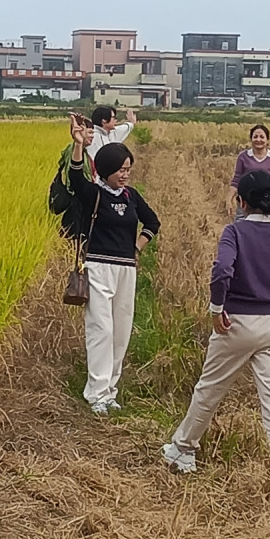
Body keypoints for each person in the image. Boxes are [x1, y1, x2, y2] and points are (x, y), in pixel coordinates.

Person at [162, 171, 270, 474]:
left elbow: (221, 271)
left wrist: (217, 307)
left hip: (236, 321)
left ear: (242, 202)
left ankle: (183, 450)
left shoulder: (235, 232)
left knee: (210, 388)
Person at [68, 114, 160, 415]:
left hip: (125, 269)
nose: (125, 175)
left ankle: (110, 390)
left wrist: (136, 248)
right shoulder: (94, 194)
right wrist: (79, 145)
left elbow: (152, 223)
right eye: (120, 170)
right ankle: (96, 393)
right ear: (106, 170)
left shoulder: (131, 196)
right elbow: (75, 178)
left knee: (121, 331)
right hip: (98, 267)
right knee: (101, 329)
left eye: (128, 169)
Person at [226, 124, 270, 219]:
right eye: (255, 137)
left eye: (262, 137)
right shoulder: (243, 157)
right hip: (245, 203)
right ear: (251, 139)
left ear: (267, 140)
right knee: (242, 226)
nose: (258, 140)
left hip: (266, 203)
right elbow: (236, 180)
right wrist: (229, 199)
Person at [51, 117, 97, 240]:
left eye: (93, 132)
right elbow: (73, 178)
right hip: (75, 203)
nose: (92, 136)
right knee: (74, 237)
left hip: (82, 202)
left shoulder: (84, 153)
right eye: (90, 132)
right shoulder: (74, 151)